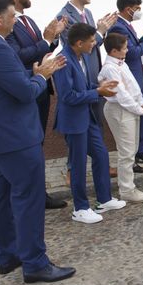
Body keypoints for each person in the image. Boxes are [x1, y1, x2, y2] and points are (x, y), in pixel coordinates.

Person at [0, 0, 75, 283]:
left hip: (0, 136)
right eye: (13, 16)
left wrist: (32, 73)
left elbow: (8, 80)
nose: (16, 21)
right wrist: (43, 75)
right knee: (29, 198)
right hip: (16, 137)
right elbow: (25, 92)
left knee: (0, 198)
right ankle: (35, 263)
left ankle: (8, 255)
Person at [1, 0, 68, 210]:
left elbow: (39, 50)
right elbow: (18, 57)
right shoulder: (6, 25)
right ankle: (34, 195)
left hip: (39, 88)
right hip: (27, 89)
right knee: (30, 145)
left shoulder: (27, 21)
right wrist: (46, 39)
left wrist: (53, 37)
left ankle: (39, 192)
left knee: (37, 142)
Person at [52, 23, 126, 224]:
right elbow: (68, 96)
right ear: (79, 43)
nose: (95, 44)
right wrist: (97, 93)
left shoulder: (81, 56)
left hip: (88, 117)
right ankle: (80, 208)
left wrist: (99, 86)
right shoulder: (62, 61)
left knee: (101, 155)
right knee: (78, 165)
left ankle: (104, 199)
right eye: (92, 41)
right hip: (74, 121)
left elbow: (83, 86)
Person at [57, 0, 118, 183]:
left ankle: (100, 162)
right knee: (78, 126)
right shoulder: (64, 17)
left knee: (95, 120)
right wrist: (101, 32)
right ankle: (72, 169)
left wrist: (100, 32)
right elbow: (81, 46)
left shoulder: (88, 13)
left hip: (92, 76)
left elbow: (92, 45)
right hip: (78, 79)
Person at [107, 0, 143, 172]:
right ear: (129, 9)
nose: (139, 12)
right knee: (133, 119)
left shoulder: (126, 25)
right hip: (129, 79)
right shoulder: (119, 27)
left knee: (141, 117)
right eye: (138, 9)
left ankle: (140, 150)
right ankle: (133, 156)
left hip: (136, 77)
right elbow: (133, 52)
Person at [99, 33, 143, 204]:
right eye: (125, 48)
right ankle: (127, 189)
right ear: (114, 51)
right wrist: (139, 109)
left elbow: (133, 86)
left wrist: (141, 104)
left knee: (132, 148)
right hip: (120, 110)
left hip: (130, 109)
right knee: (126, 152)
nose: (128, 50)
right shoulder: (110, 68)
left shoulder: (121, 63)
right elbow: (121, 94)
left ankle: (129, 186)